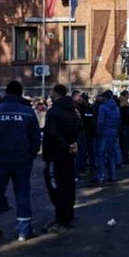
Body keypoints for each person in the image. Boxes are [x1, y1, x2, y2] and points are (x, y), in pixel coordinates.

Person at [0, 81, 41, 242]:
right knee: (22, 194)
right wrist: (31, 154)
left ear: (6, 92)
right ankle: (24, 231)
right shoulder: (28, 112)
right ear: (20, 93)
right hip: (22, 160)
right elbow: (36, 139)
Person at [42, 85, 84, 234]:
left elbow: (51, 134)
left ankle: (61, 219)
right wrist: (74, 145)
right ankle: (68, 215)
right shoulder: (74, 110)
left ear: (55, 93)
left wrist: (67, 146)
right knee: (68, 185)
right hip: (69, 154)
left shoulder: (54, 112)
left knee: (56, 187)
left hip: (55, 154)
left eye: (51, 93)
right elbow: (80, 130)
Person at [96, 90, 121, 184]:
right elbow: (118, 121)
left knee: (101, 154)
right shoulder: (116, 108)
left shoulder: (103, 107)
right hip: (113, 132)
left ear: (105, 98)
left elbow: (100, 122)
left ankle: (101, 175)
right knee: (111, 154)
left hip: (104, 133)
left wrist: (98, 132)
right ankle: (113, 175)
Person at [118, 91, 129, 165]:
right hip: (126, 125)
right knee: (125, 143)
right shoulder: (126, 104)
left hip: (122, 125)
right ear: (126, 95)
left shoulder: (119, 102)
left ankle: (122, 158)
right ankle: (125, 158)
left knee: (122, 143)